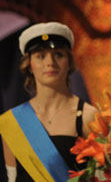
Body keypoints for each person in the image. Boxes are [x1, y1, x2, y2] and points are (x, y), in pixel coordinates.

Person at [0, 22, 96, 182]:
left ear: (69, 62)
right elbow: (12, 177)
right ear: (29, 65)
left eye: (58, 54)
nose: (50, 62)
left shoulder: (89, 116)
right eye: (40, 56)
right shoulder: (11, 121)